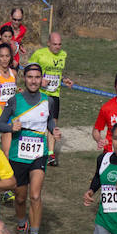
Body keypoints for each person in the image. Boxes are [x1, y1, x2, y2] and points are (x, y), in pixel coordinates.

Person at [0, 62, 61, 234]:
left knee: (35, 195)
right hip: (18, 155)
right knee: (21, 197)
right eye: (30, 77)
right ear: (25, 78)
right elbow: (0, 124)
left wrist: (52, 129)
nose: (34, 81)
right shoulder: (15, 101)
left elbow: (48, 120)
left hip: (38, 154)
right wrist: (11, 128)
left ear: (42, 80)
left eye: (37, 77)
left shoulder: (48, 100)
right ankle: (21, 224)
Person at [30, 32, 73, 166]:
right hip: (40, 94)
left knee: (53, 124)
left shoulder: (63, 55)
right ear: (48, 43)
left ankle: (50, 154)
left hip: (54, 95)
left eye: (59, 44)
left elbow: (59, 72)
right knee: (37, 122)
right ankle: (33, 151)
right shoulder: (39, 54)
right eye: (54, 44)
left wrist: (64, 79)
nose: (57, 47)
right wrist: (39, 80)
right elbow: (28, 71)